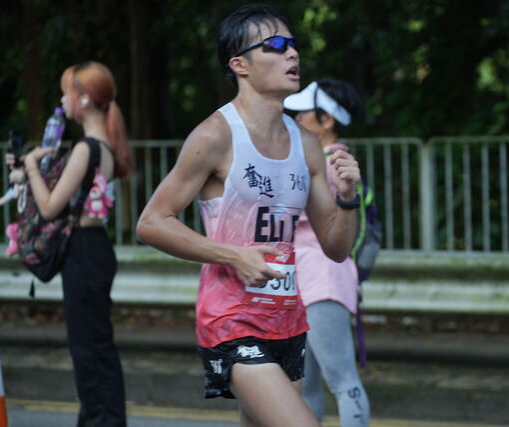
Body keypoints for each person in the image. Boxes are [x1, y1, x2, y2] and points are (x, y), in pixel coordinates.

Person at [135, 4, 361, 427]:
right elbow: (152, 222)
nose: (291, 53)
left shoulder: (307, 143)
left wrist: (348, 198)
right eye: (275, 45)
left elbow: (336, 247)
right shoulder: (215, 135)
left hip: (287, 320)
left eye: (293, 44)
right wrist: (234, 255)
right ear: (239, 65)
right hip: (232, 320)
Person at [7, 61, 132, 426]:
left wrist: (32, 165)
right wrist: (27, 173)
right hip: (93, 248)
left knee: (88, 349)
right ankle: (102, 418)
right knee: (96, 347)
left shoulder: (86, 148)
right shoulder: (102, 147)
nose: (62, 100)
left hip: (84, 252)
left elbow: (49, 208)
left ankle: (100, 420)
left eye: (67, 93)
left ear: (85, 98)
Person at [284, 79, 371, 426]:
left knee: (342, 380)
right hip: (302, 280)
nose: (297, 117)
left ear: (327, 120)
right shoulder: (316, 161)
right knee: (305, 385)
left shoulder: (334, 164)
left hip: (324, 280)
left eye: (304, 112)